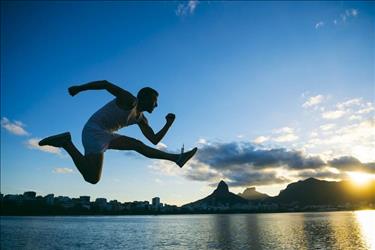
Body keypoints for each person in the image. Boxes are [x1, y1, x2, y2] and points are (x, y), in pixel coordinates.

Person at [39, 80, 197, 184]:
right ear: (146, 98)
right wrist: (79, 88)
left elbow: (154, 140)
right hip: (93, 131)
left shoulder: (140, 118)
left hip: (105, 134)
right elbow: (105, 84)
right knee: (135, 146)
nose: (156, 105)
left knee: (92, 178)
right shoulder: (130, 100)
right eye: (155, 101)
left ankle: (66, 143)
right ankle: (66, 143)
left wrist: (168, 124)